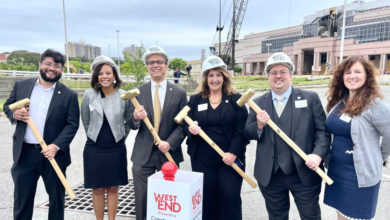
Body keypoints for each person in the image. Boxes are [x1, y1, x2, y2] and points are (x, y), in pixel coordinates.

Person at [244, 52, 330, 220]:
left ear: (291, 75)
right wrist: (259, 125)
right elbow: (247, 132)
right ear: (268, 76)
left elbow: (322, 131)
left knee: (310, 216)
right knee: (276, 217)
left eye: (282, 71)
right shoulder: (258, 103)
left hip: (304, 173)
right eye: (273, 72)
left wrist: (318, 154)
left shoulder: (310, 98)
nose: (278, 76)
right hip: (271, 175)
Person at [3, 49, 80, 220]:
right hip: (25, 154)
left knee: (56, 203)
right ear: (40, 64)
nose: (52, 68)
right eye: (48, 64)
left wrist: (55, 146)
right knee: (22, 202)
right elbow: (8, 106)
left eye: (57, 66)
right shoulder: (21, 86)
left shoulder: (69, 95)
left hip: (53, 155)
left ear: (61, 69)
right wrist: (14, 114)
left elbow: (72, 125)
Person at [324, 56, 390, 220]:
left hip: (360, 176)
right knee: (341, 215)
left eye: (357, 71)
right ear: (342, 76)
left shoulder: (375, 105)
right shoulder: (339, 101)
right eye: (348, 72)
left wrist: (378, 158)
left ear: (367, 76)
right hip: (337, 171)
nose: (352, 76)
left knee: (356, 217)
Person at [186, 55, 248, 220]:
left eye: (218, 75)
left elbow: (241, 130)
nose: (215, 79)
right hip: (202, 159)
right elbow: (184, 122)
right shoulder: (195, 100)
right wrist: (190, 128)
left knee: (230, 197)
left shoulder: (236, 100)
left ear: (224, 77)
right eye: (211, 75)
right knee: (207, 198)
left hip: (229, 159)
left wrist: (233, 153)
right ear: (205, 78)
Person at [129, 45, 187, 220]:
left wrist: (170, 143)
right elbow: (130, 124)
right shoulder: (137, 92)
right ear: (147, 66)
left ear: (166, 65)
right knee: (142, 200)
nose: (155, 65)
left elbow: (182, 125)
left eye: (159, 62)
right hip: (142, 155)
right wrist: (135, 117)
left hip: (168, 153)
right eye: (151, 62)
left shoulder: (179, 93)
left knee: (168, 202)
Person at [80, 55, 132, 220]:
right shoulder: (89, 95)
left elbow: (130, 121)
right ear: (96, 76)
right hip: (94, 148)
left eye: (108, 73)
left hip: (115, 148)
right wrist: (93, 135)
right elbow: (86, 121)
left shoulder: (124, 96)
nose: (104, 76)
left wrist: (121, 136)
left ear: (115, 75)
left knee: (113, 188)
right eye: (100, 73)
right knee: (97, 189)